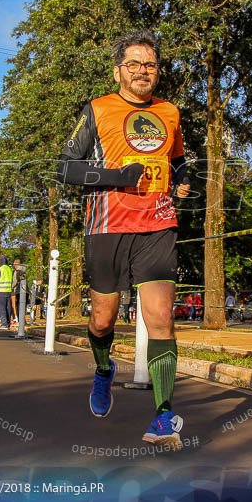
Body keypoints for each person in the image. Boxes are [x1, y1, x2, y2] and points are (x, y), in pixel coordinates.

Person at [56, 29, 191, 448]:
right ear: (118, 71)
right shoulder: (98, 109)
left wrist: (182, 182)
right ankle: (102, 370)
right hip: (107, 227)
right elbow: (65, 168)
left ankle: (165, 415)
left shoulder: (169, 112)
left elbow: (179, 159)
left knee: (161, 317)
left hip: (157, 225)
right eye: (133, 64)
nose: (142, 71)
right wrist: (116, 178)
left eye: (149, 64)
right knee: (102, 320)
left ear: (157, 71)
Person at [0, 256, 13, 330]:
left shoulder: (0, 269)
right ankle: (8, 323)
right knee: (8, 308)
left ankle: (4, 324)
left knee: (2, 308)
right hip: (9, 291)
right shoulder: (9, 269)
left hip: (1, 291)